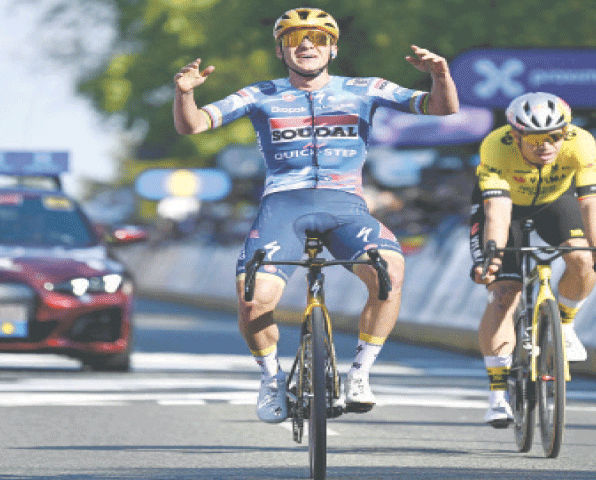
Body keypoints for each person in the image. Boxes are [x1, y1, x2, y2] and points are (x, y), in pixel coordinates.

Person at [174, 7, 459, 423]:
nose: (307, 45)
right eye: (294, 39)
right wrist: (185, 94)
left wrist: (440, 75)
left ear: (333, 48)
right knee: (252, 300)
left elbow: (440, 108)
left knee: (390, 272)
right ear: (280, 50)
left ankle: (360, 374)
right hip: (283, 206)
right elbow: (194, 126)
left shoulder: (367, 88)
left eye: (318, 39)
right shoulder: (260, 94)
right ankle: (271, 381)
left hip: (344, 205)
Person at [469, 91, 596, 428]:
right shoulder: (496, 145)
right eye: (535, 138)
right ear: (516, 134)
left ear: (565, 131)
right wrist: (493, 256)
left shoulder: (581, 143)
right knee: (504, 292)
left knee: (583, 260)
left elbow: (592, 205)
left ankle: (565, 324)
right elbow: (497, 211)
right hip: (504, 206)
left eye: (554, 136)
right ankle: (497, 393)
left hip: (556, 201)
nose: (546, 145)